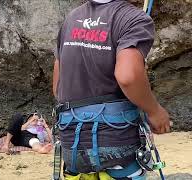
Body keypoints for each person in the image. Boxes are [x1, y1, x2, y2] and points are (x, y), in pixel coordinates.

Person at [52, 0, 171, 179]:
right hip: (116, 140)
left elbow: (57, 87)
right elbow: (128, 77)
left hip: (72, 144)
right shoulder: (133, 18)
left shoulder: (71, 19)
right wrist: (154, 111)